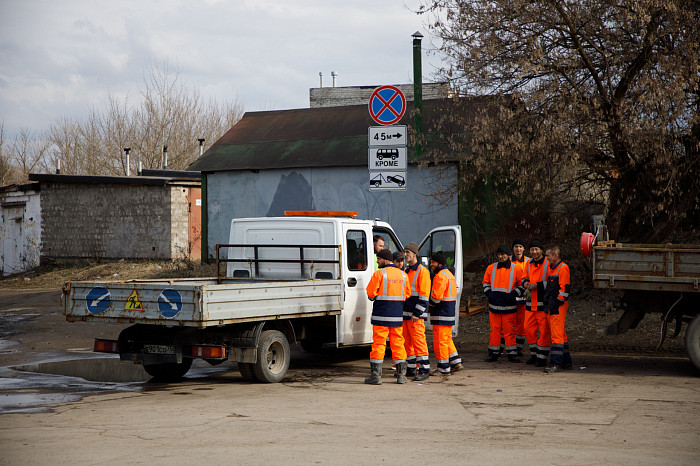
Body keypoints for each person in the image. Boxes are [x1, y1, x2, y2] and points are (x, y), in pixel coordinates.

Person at [364, 248, 411, 385]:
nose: (377, 261)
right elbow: (407, 294)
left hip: (381, 316)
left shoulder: (379, 274)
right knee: (398, 344)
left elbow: (371, 293)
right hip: (396, 316)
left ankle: (376, 376)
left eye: (378, 259)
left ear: (385, 259)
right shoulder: (403, 275)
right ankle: (401, 376)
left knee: (379, 344)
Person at [482, 244, 528, 363]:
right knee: (495, 331)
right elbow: (485, 283)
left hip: (509, 305)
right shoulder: (491, 268)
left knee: (509, 331)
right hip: (494, 306)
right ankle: (493, 353)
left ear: (508, 255)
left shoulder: (516, 268)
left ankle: (512, 354)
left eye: (503, 254)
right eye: (499, 254)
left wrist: (512, 295)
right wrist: (489, 294)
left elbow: (522, 285)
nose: (500, 257)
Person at [429, 252, 463, 375]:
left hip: (440, 313)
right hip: (448, 313)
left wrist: (428, 305)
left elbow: (436, 298)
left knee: (440, 341)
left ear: (440, 263)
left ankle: (443, 368)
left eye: (433, 262)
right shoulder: (449, 275)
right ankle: (455, 362)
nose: (431, 265)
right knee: (447, 339)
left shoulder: (440, 276)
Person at [402, 242, 431, 381]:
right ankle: (412, 368)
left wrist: (417, 313)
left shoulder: (422, 271)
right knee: (407, 342)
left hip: (415, 315)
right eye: (405, 252)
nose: (405, 254)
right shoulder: (407, 271)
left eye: (408, 252)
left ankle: (424, 369)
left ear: (414, 254)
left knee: (419, 342)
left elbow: (424, 295)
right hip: (406, 313)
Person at [542, 246, 572, 373]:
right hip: (553, 304)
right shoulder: (552, 268)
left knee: (556, 335)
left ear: (555, 256)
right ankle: (566, 361)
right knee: (560, 334)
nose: (546, 258)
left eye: (548, 255)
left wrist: (558, 302)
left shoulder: (562, 268)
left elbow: (564, 288)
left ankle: (556, 363)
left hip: (557, 306)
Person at [523, 240, 551, 367]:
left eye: (536, 249)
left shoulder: (548, 263)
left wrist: (537, 286)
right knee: (528, 330)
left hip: (542, 304)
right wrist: (526, 283)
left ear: (541, 250)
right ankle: (534, 355)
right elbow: (525, 277)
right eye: (532, 250)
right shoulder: (528, 263)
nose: (534, 252)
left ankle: (542, 357)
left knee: (544, 331)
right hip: (530, 304)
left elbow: (552, 282)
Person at [511, 238, 530, 356]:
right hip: (510, 295)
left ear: (524, 248)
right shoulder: (507, 260)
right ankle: (509, 346)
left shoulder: (529, 261)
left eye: (520, 246)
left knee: (522, 322)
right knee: (509, 322)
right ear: (512, 248)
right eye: (516, 246)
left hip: (524, 296)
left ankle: (519, 347)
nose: (518, 249)